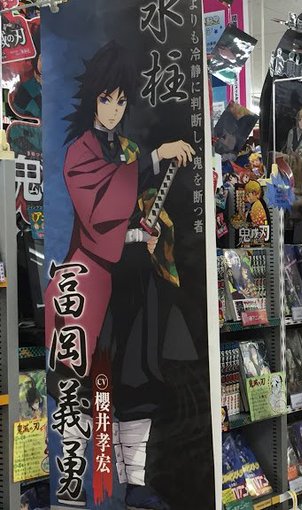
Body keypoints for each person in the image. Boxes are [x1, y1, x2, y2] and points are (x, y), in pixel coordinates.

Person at [44, 41, 194, 509]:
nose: (113, 109)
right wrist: (154, 158)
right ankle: (104, 484)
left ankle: (136, 481)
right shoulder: (79, 153)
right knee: (99, 380)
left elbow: (144, 206)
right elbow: (103, 203)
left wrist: (153, 230)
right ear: (93, 98)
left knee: (137, 377)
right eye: (106, 99)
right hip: (96, 280)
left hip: (136, 275)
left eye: (121, 100)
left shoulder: (127, 148)